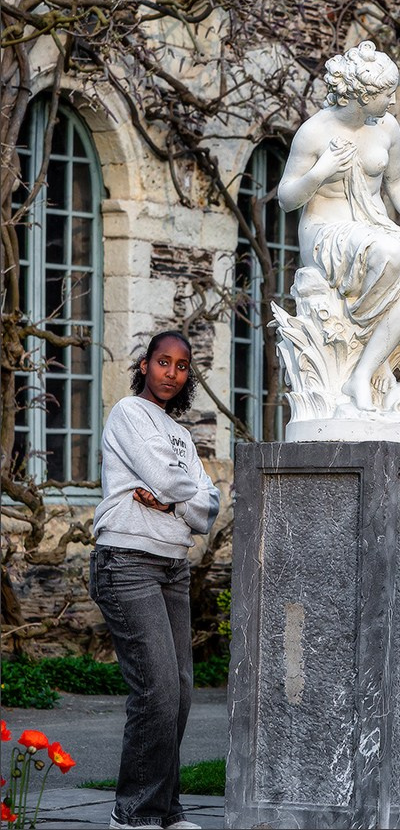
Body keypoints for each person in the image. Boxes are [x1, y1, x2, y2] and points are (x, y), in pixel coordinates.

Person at [278, 40, 400, 412]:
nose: (393, 101)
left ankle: (363, 370)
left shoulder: (386, 127)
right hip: (326, 230)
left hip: (372, 223)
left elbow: (397, 182)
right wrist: (321, 172)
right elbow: (287, 198)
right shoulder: (315, 132)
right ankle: (362, 346)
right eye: (387, 94)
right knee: (388, 254)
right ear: (361, 96)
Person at [89, 330, 220, 830]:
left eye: (181, 366)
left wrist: (173, 501)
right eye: (163, 362)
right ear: (145, 365)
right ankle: (135, 814)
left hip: (172, 565)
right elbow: (172, 481)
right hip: (127, 560)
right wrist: (177, 494)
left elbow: (207, 507)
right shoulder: (128, 413)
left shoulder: (181, 435)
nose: (171, 372)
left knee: (180, 694)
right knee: (157, 692)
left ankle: (165, 811)